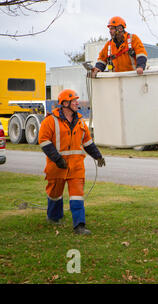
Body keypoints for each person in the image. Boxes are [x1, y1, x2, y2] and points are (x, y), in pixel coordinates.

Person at [38, 89, 106, 235]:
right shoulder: (50, 121)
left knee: (77, 195)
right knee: (54, 194)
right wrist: (57, 159)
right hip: (56, 167)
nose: (77, 102)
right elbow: (43, 141)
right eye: (73, 100)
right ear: (65, 103)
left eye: (76, 100)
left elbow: (87, 142)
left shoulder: (80, 122)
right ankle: (54, 217)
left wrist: (98, 156)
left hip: (76, 167)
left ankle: (79, 226)